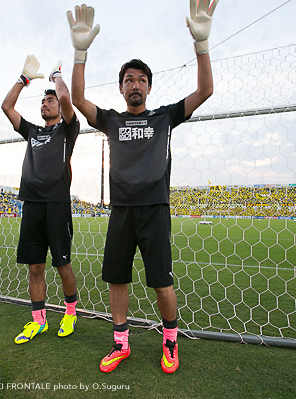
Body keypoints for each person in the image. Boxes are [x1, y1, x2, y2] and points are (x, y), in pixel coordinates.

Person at [67, 0, 218, 373]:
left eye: (141, 80)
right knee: (116, 279)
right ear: (120, 89)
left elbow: (205, 91)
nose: (135, 84)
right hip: (121, 213)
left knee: (161, 285)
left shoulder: (164, 116)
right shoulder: (113, 120)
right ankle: (121, 343)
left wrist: (201, 46)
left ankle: (170, 342)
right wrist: (80, 53)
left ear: (149, 87)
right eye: (128, 80)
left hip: (154, 211)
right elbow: (79, 100)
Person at [1, 55, 80, 344]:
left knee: (62, 266)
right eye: (43, 102)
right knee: (35, 267)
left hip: (57, 205)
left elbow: (67, 99)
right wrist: (23, 80)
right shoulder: (32, 131)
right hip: (31, 205)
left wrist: (55, 76)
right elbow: (6, 107)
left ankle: (70, 313)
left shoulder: (67, 130)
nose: (45, 103)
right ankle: (39, 320)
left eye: (50, 101)